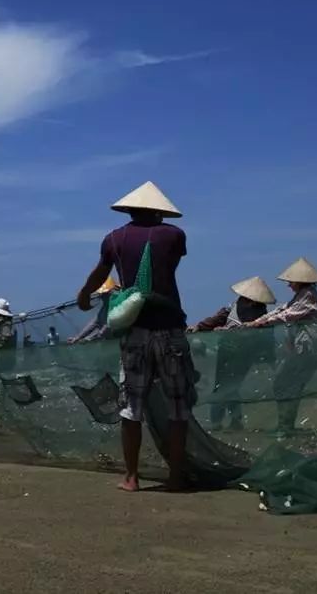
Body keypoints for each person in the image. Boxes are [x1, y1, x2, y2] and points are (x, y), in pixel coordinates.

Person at [76, 181, 193, 492]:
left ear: (128, 209)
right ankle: (177, 476)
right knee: (178, 406)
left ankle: (131, 476)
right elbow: (167, 268)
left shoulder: (113, 239)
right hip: (169, 327)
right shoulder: (174, 235)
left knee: (131, 406)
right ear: (158, 210)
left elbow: (102, 274)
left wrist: (85, 293)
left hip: (135, 331)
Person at [246, 258, 317, 435]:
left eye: (291, 281)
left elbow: (289, 314)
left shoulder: (308, 294)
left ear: (300, 280)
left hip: (308, 348)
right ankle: (285, 425)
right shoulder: (301, 295)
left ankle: (286, 427)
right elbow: (282, 310)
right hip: (300, 348)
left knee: (286, 384)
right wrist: (258, 321)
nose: (289, 285)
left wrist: (262, 322)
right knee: (286, 385)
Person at [191, 276, 277, 430]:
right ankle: (230, 421)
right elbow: (218, 318)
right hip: (226, 351)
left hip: (244, 354)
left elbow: (252, 332)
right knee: (223, 386)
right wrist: (199, 327)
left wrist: (227, 331)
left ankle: (225, 421)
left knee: (230, 387)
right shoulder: (234, 306)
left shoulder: (260, 314)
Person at [68, 277, 119, 344]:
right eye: (101, 294)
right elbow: (94, 324)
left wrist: (89, 338)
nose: (102, 296)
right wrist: (77, 338)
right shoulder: (104, 308)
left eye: (105, 293)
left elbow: (107, 328)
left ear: (113, 291)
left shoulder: (118, 304)